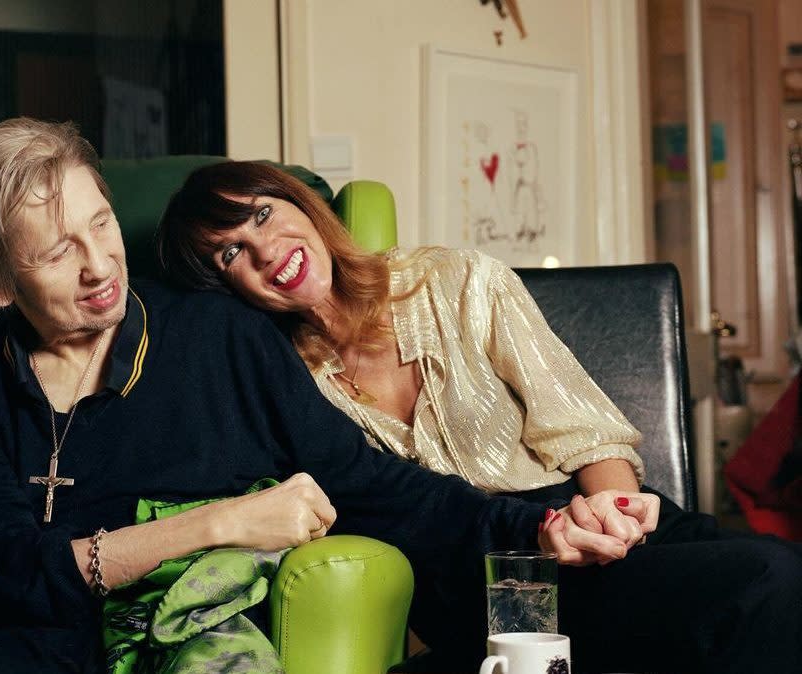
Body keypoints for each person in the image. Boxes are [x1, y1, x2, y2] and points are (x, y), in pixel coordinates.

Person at [0, 119, 645, 674]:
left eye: (102, 226)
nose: (99, 266)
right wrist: (225, 521)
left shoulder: (220, 337)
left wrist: (538, 526)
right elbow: (13, 570)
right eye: (59, 251)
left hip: (187, 636)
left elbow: (370, 483)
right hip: (17, 642)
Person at [153, 160, 802, 673]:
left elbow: (587, 430)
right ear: (225, 288)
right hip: (489, 580)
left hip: (588, 521)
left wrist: (614, 520)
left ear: (301, 203)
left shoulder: (456, 280)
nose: (266, 250)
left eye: (264, 214)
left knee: (780, 570)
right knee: (766, 584)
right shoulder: (282, 384)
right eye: (230, 253)